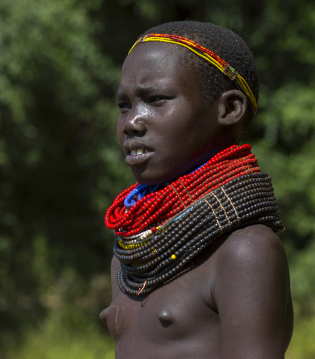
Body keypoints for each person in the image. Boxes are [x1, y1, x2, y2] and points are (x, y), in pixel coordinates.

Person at [99, 21, 293, 359]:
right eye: (124, 106)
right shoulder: (131, 255)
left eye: (156, 99)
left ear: (229, 109)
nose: (132, 122)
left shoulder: (244, 251)